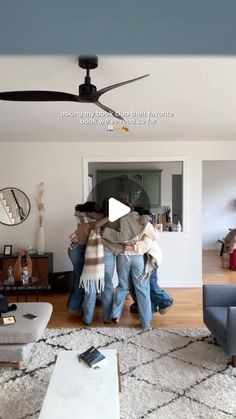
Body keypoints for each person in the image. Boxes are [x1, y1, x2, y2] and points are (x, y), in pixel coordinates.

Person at [102, 207, 157, 328]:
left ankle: (115, 316)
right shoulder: (143, 222)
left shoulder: (119, 220)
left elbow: (112, 237)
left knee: (123, 286)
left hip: (123, 256)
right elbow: (154, 235)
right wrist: (147, 221)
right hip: (137, 258)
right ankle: (146, 322)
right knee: (142, 288)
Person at [67, 201, 108, 324]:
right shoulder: (86, 220)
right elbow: (94, 224)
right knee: (82, 280)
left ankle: (75, 306)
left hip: (74, 249)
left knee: (79, 279)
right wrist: (108, 217)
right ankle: (74, 307)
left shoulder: (82, 217)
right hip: (78, 250)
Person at [128, 207, 173, 315]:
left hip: (151, 258)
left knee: (150, 284)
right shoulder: (136, 228)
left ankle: (166, 301)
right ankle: (150, 308)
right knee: (140, 283)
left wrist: (130, 247)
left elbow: (143, 246)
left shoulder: (147, 229)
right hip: (144, 257)